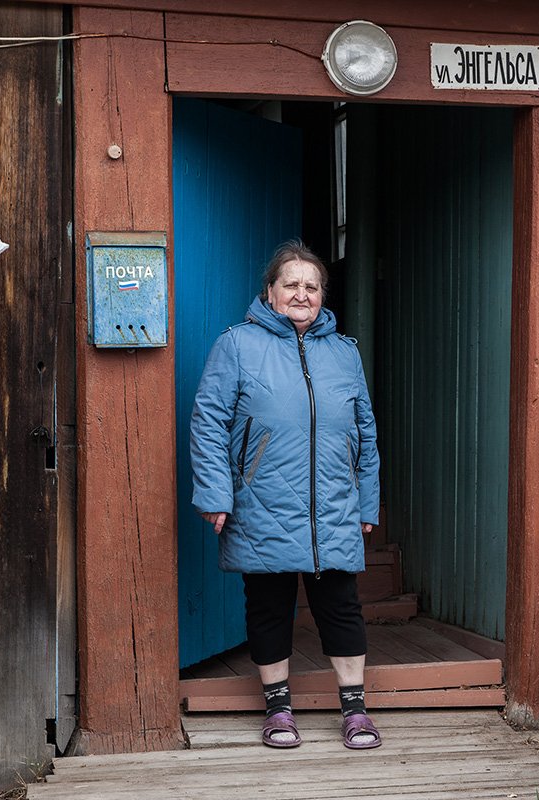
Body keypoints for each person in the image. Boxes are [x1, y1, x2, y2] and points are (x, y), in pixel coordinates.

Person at [190, 239, 382, 750]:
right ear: (270, 291)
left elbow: (365, 432)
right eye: (291, 284)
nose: (302, 294)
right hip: (262, 500)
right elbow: (208, 423)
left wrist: (368, 501)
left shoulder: (345, 353)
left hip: (334, 504)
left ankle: (355, 710)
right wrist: (216, 492)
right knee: (269, 605)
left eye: (312, 286)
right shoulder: (236, 345)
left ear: (323, 295)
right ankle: (278, 708)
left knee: (340, 605)